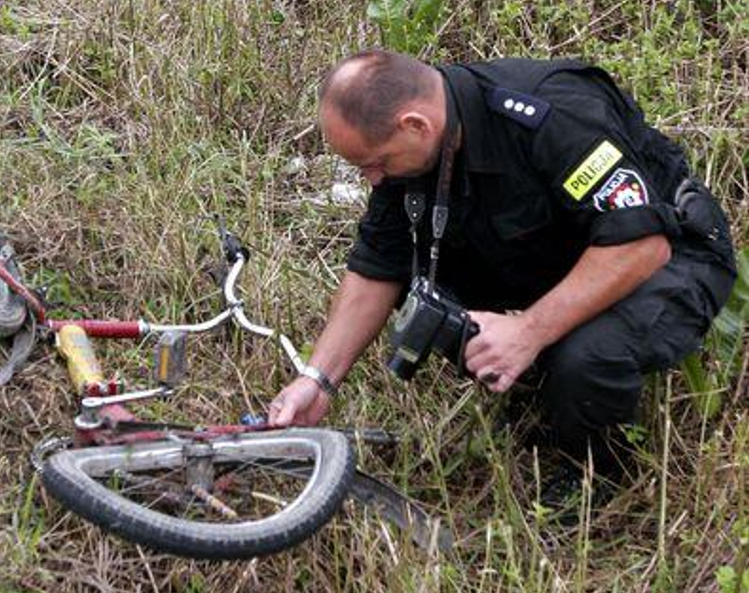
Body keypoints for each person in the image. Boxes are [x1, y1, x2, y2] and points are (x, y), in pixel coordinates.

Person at [267, 49, 736, 505]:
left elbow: (641, 244)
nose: (372, 179)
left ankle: (597, 473)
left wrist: (529, 331)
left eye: (377, 162)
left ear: (415, 124)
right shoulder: (421, 149)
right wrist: (318, 379)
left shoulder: (551, 114)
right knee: (432, 298)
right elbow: (378, 263)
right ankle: (536, 380)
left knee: (586, 359)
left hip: (672, 253)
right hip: (565, 251)